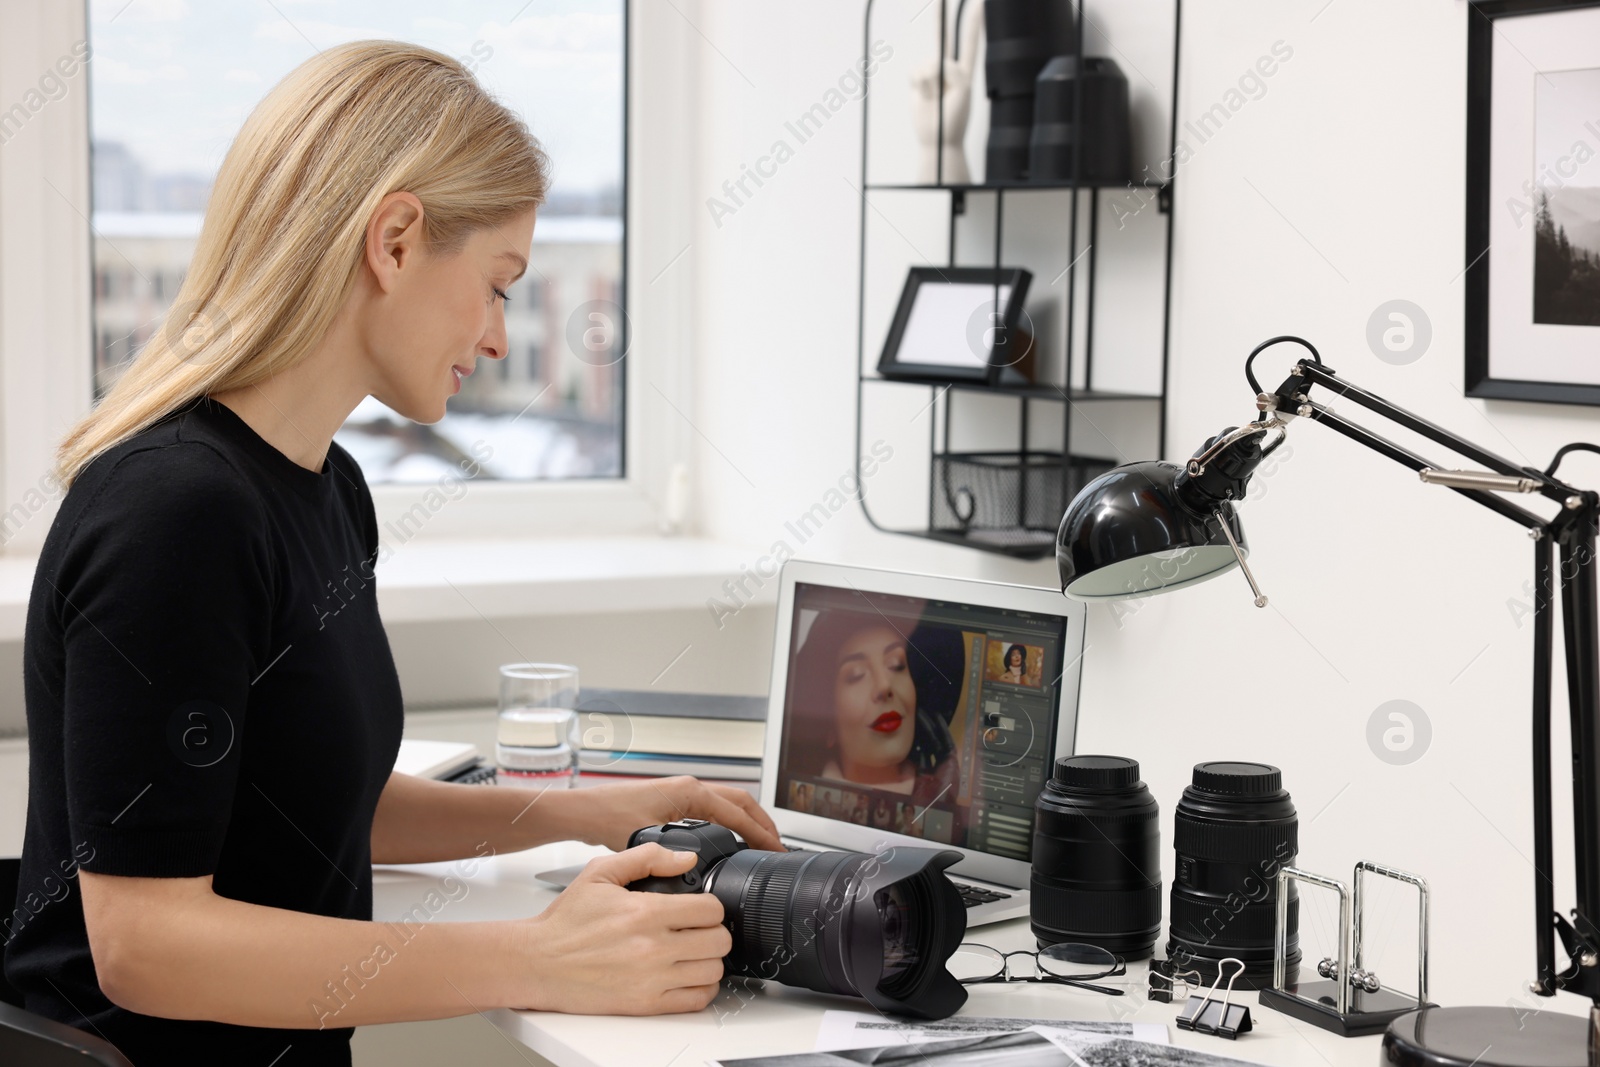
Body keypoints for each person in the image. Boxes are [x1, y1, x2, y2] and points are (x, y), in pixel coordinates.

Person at [3, 41, 781, 1067]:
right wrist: (537, 958)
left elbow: (318, 802)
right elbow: (145, 944)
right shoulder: (177, 512)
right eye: (500, 283)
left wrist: (593, 811)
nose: (501, 335)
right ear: (398, 239)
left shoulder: (326, 490)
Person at [788, 609, 958, 801]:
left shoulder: (940, 804)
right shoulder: (800, 801)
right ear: (827, 721)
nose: (884, 685)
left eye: (897, 665)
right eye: (856, 675)